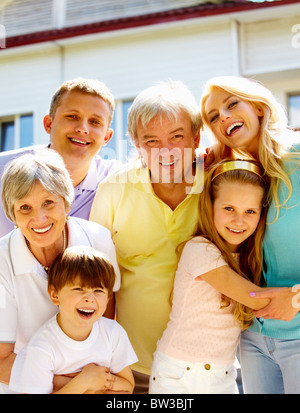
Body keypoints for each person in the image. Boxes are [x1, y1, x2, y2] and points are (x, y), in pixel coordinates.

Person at [90, 80, 203, 392]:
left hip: (204, 369)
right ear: (135, 145)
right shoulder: (113, 190)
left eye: (176, 137)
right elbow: (98, 281)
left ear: (196, 137)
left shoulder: (218, 188)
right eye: (151, 141)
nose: (164, 151)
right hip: (132, 369)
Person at [200, 75, 300, 394]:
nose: (224, 117)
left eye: (232, 104)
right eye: (214, 117)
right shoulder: (234, 179)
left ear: (257, 107)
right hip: (253, 341)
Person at [0, 149, 120, 394]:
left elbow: (105, 326)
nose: (40, 218)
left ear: (66, 201)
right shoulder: (2, 261)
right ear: (12, 214)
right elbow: (1, 361)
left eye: (48, 203)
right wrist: (76, 385)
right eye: (25, 208)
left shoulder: (98, 240)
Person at [149, 159, 270, 394]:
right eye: (229, 209)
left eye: (250, 212)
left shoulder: (249, 258)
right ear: (210, 206)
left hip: (222, 375)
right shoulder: (199, 249)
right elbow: (254, 298)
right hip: (177, 374)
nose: (239, 221)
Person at [0, 77, 121, 238]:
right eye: (72, 116)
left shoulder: (117, 181)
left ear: (107, 136)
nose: (83, 128)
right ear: (49, 124)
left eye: (94, 121)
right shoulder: (3, 171)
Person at [9, 246, 137, 394]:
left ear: (108, 299)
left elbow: (127, 386)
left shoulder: (113, 333)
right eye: (79, 289)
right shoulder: (42, 348)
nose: (90, 298)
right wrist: (84, 382)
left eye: (98, 291)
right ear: (55, 295)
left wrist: (64, 387)